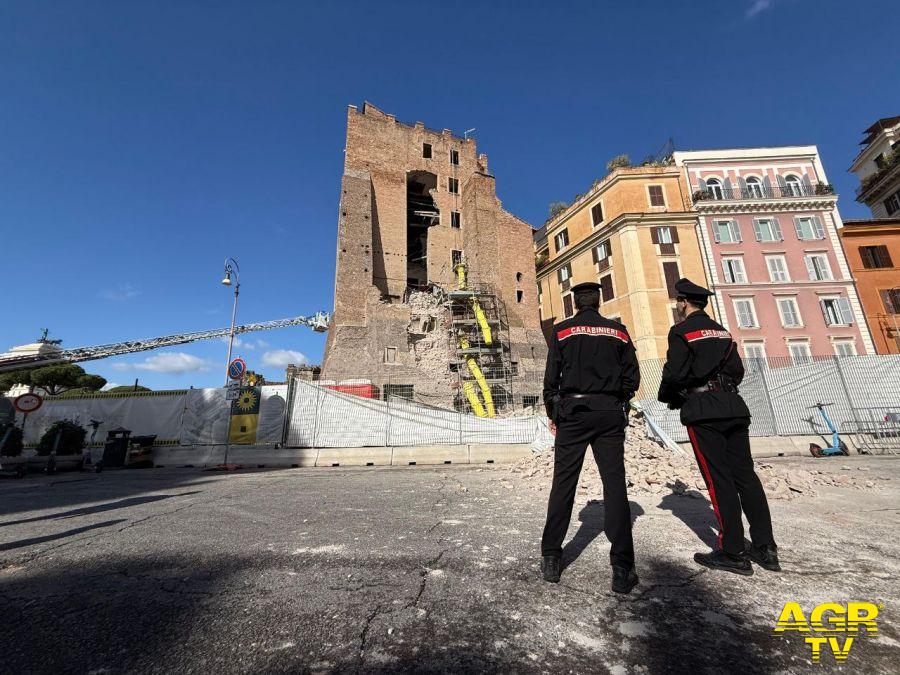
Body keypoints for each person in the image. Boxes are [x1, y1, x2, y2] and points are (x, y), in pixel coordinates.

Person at [657, 278, 779, 575]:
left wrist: (671, 396)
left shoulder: (681, 331)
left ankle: (733, 551)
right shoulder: (722, 331)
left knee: (718, 480)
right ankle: (766, 548)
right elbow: (737, 370)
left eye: (678, 301)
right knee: (746, 477)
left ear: (683, 302)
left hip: (704, 410)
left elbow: (675, 373)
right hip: (733, 406)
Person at [541, 281, 641, 593]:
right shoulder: (619, 331)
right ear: (598, 302)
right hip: (609, 412)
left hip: (573, 412)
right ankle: (622, 568)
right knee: (615, 485)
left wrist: (554, 412)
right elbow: (632, 376)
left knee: (563, 483)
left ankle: (551, 557)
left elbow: (551, 378)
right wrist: (618, 400)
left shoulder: (562, 331)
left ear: (575, 303)